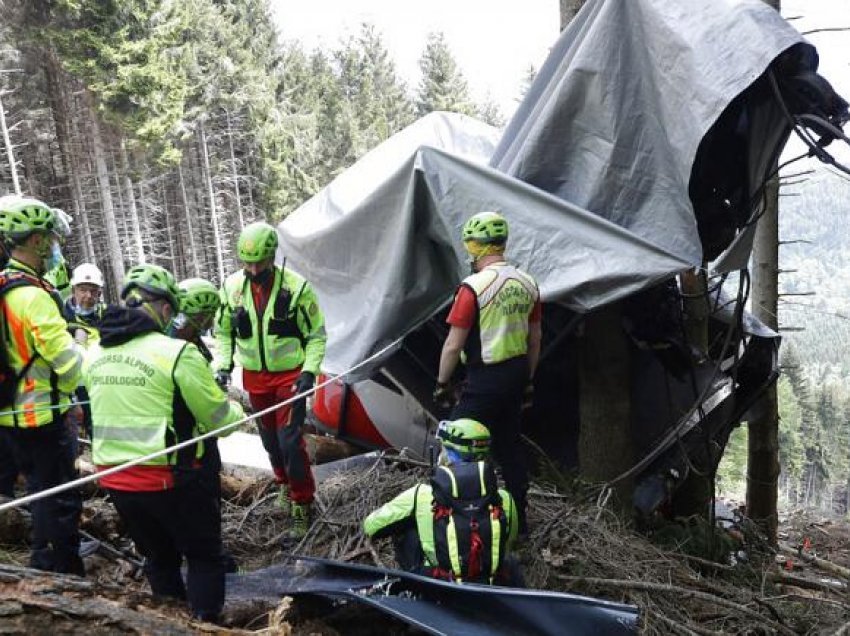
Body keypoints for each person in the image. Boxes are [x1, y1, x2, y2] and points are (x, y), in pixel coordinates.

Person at [85, 263, 245, 622]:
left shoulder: (95, 353)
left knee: (159, 558)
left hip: (116, 479)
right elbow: (219, 422)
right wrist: (234, 407)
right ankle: (205, 625)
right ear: (167, 308)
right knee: (203, 555)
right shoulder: (175, 352)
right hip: (174, 478)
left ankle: (172, 625)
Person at [215, 221, 326, 541]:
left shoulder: (297, 289)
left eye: (259, 263)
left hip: (290, 376)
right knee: (269, 439)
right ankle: (282, 481)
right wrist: (223, 366)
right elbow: (223, 332)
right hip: (254, 377)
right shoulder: (232, 288)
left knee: (290, 440)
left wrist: (309, 371)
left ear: (272, 257)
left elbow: (316, 336)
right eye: (247, 263)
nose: (252, 269)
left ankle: (303, 502)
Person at [433, 211, 541, 534]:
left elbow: (453, 345)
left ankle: (450, 518)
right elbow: (535, 339)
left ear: (476, 247)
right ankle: (519, 521)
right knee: (509, 445)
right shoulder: (528, 283)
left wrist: (441, 383)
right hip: (516, 375)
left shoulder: (473, 288)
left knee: (454, 442)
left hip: (484, 378)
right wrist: (528, 382)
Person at [0, 195, 85, 574]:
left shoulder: (5, 285)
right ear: (34, 241)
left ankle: (44, 558)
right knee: (59, 497)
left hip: (8, 414)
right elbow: (65, 362)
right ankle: (59, 570)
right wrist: (73, 382)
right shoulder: (33, 296)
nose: (54, 245)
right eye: (49, 238)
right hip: (42, 414)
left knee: (38, 493)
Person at [363, 418, 522, 585]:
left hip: (438, 584)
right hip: (488, 584)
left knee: (407, 528)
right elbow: (508, 544)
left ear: (448, 451)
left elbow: (370, 526)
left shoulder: (422, 495)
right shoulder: (504, 499)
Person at [172, 277, 237, 572]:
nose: (210, 321)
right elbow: (211, 410)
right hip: (191, 438)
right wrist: (227, 407)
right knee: (202, 499)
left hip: (191, 436)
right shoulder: (179, 346)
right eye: (207, 316)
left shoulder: (188, 341)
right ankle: (209, 558)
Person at [64, 262, 106, 441]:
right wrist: (73, 399)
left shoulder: (108, 316)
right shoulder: (61, 317)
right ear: (73, 289)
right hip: (74, 391)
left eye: (93, 291)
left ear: (100, 293)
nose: (88, 296)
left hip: (103, 386)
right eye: (83, 290)